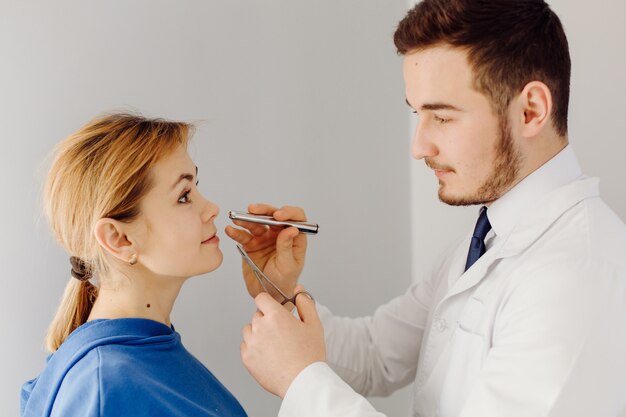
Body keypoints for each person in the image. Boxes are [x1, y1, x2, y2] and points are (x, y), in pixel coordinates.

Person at [226, 1, 626, 416]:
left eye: (443, 117)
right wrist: (281, 292)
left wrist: (302, 383)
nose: (419, 148)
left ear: (531, 111)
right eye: (417, 114)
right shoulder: (483, 241)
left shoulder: (579, 276)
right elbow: (375, 355)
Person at [21, 114, 247, 417]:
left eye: (195, 187)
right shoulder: (106, 388)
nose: (211, 209)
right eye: (183, 196)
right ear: (119, 238)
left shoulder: (147, 353)